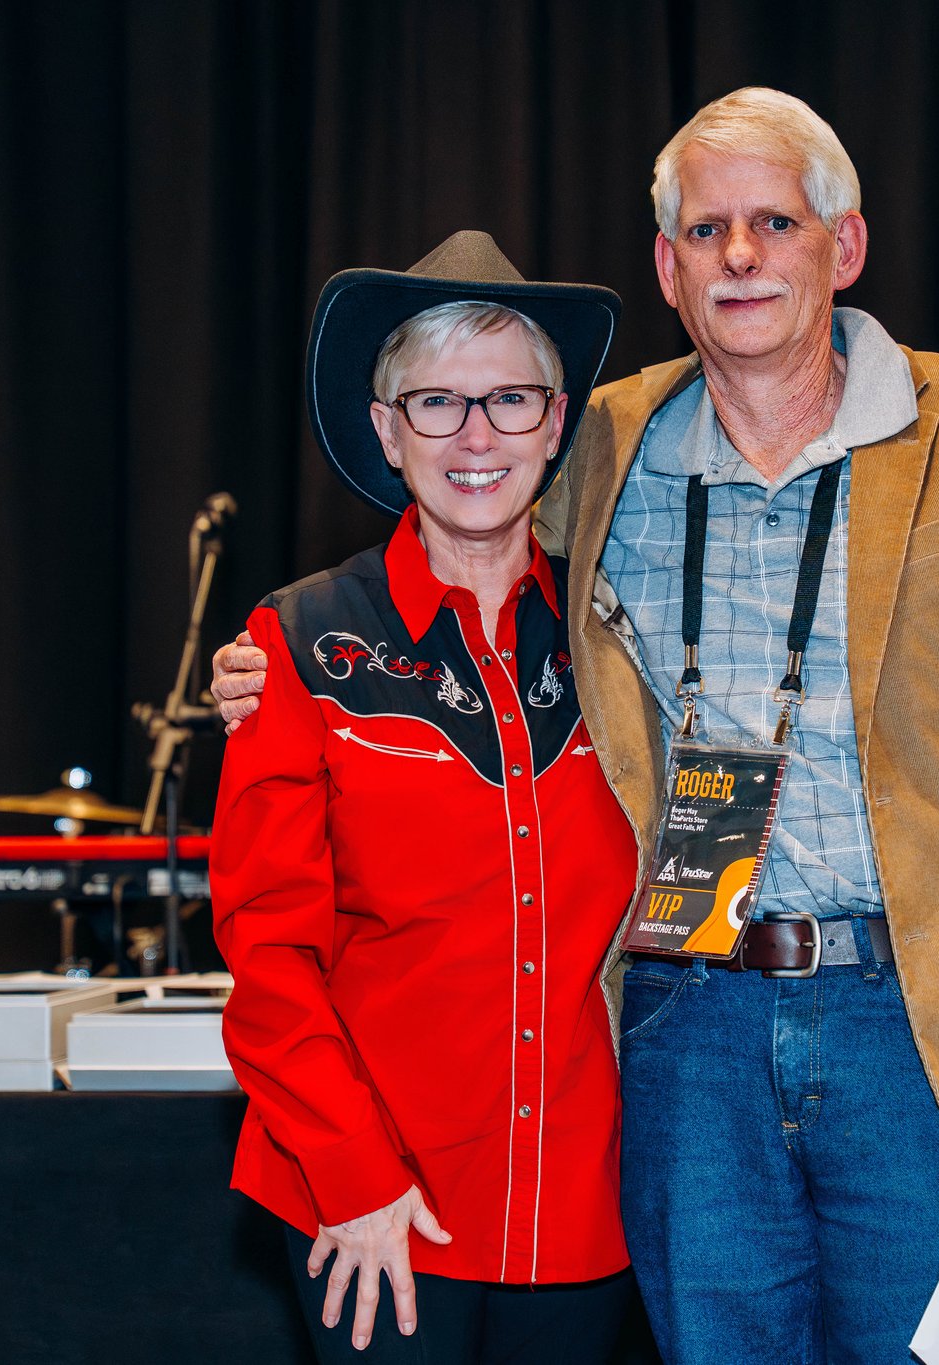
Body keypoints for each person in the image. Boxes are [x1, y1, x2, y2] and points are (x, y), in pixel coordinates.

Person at [216, 89, 939, 1364]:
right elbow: (456, 516)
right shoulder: (605, 440)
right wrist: (269, 662)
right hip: (683, 1026)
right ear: (667, 267)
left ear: (844, 245)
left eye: (774, 223)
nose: (740, 256)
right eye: (707, 231)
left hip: (916, 1024)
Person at [209, 231, 645, 1363]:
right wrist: (352, 1177)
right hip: (377, 1214)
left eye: (509, 400)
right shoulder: (299, 642)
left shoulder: (626, 641)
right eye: (437, 403)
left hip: (589, 1212)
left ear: (556, 423)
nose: (476, 437)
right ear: (387, 430)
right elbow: (267, 952)